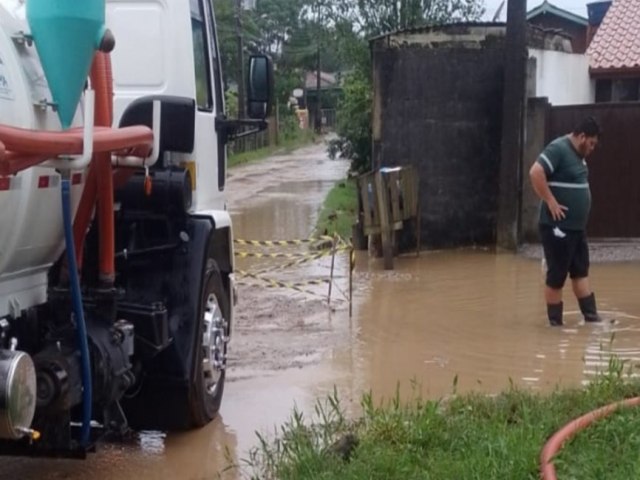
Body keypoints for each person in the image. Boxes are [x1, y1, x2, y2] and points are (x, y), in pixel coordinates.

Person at [529, 116, 602, 327]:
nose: (592, 148)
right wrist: (550, 201)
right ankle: (555, 325)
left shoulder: (578, 155)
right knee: (557, 274)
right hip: (557, 227)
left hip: (576, 228)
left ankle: (591, 318)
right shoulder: (558, 148)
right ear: (581, 137)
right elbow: (535, 172)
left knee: (580, 270)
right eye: (591, 143)